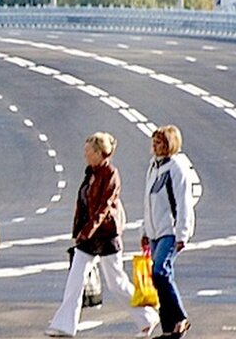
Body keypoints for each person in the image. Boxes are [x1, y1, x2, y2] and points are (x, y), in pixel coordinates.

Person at [46, 132, 150, 338]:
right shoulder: (91, 172)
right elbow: (84, 204)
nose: (84, 153)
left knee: (116, 282)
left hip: (106, 235)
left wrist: (86, 231)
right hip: (88, 236)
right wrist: (80, 231)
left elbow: (104, 207)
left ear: (99, 152)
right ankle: (65, 325)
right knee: (75, 279)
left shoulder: (110, 174)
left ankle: (146, 316)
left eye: (88, 150)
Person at [141, 125, 194, 338]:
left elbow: (183, 203)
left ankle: (181, 317)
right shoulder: (153, 167)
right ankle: (168, 327)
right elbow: (148, 202)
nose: (155, 146)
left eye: (160, 142)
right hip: (155, 232)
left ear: (170, 144)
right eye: (154, 142)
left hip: (170, 231)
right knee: (161, 277)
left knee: (160, 272)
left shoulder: (176, 168)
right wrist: (144, 230)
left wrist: (182, 233)